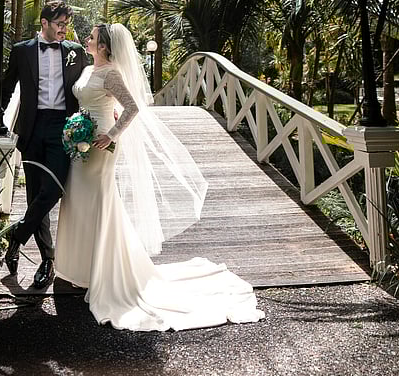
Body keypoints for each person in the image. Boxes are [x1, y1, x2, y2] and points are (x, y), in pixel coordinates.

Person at [55, 23, 265, 330]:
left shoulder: (111, 74)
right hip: (81, 141)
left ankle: (103, 272)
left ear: (103, 47)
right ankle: (83, 268)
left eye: (92, 38)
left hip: (100, 145)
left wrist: (112, 134)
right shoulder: (88, 69)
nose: (87, 39)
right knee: (78, 202)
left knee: (97, 202)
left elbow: (132, 107)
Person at [1, 1, 87, 289]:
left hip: (63, 128)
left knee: (54, 188)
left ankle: (16, 234)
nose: (64, 29)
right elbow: (7, 86)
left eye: (66, 24)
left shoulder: (76, 52)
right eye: (60, 24)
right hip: (32, 127)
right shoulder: (22, 51)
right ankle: (47, 260)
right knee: (35, 195)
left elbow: (88, 88)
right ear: (45, 23)